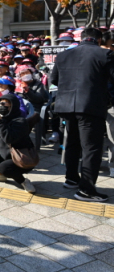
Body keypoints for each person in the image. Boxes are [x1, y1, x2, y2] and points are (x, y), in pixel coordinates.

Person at [51, 27, 114, 202]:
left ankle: (71, 179)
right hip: (91, 106)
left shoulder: (63, 55)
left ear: (81, 38)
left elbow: (54, 79)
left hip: (66, 105)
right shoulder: (104, 54)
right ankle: (86, 190)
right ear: (99, 40)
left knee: (72, 142)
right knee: (91, 148)